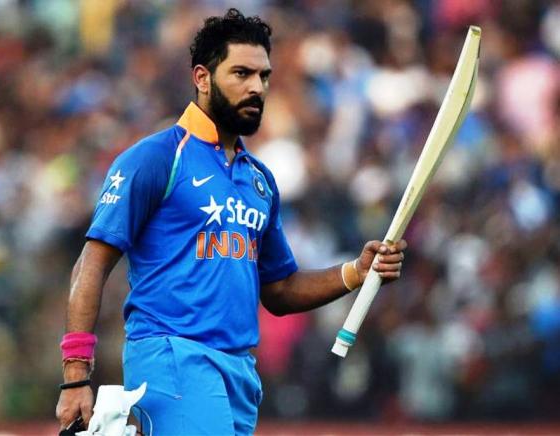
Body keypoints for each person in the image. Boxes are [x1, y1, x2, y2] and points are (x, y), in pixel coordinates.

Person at [55, 8, 407, 435]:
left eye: (263, 76)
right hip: (174, 357)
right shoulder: (157, 158)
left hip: (239, 371)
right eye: (241, 73)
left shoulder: (259, 181)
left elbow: (279, 289)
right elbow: (91, 263)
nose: (256, 87)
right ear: (202, 78)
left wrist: (355, 272)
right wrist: (76, 375)